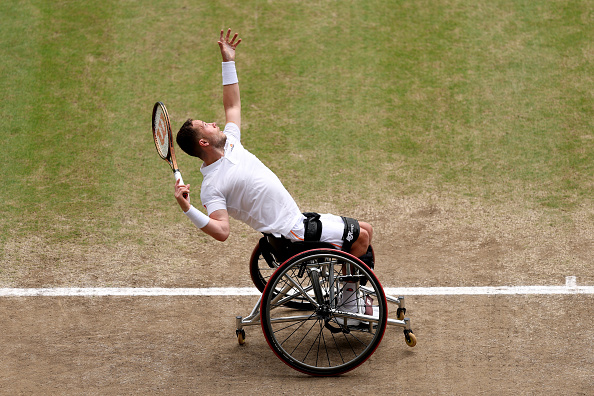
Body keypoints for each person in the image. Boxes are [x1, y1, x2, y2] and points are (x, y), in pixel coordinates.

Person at [173, 28, 373, 260]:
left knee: (366, 228)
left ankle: (348, 289)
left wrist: (228, 62)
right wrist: (188, 208)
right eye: (205, 124)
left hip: (297, 220)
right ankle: (349, 297)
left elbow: (232, 107)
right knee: (361, 237)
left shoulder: (230, 144)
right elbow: (222, 231)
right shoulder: (212, 186)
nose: (214, 122)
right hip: (291, 232)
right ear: (204, 141)